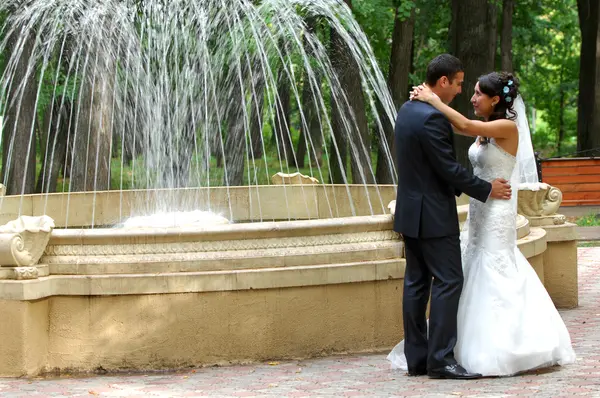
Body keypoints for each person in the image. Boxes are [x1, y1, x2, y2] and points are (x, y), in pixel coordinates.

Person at [389, 69, 576, 377]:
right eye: (468, 88)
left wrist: (431, 98)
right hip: (479, 209)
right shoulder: (487, 128)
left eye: (477, 93)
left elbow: (460, 124)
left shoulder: (506, 126)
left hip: (496, 210)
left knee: (490, 271)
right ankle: (443, 352)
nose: (471, 97)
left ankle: (497, 346)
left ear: (494, 100)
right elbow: (460, 133)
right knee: (462, 273)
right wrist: (431, 101)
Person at [391, 54, 512, 379]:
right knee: (449, 280)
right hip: (432, 215)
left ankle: (417, 358)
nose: (460, 90)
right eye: (458, 83)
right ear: (443, 81)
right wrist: (486, 189)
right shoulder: (431, 118)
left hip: (409, 212)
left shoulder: (407, 110)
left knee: (416, 283)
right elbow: (448, 169)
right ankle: (441, 360)